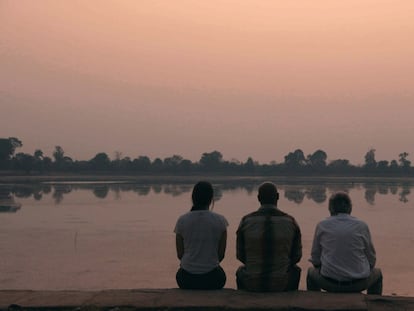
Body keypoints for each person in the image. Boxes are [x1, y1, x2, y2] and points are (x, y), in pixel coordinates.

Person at [307, 192, 383, 294]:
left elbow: (315, 258)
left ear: (330, 208)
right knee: (377, 274)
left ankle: (314, 304)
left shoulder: (322, 225)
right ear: (350, 208)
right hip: (358, 284)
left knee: (310, 273)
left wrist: (326, 268)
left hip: (329, 283)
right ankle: (373, 305)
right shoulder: (362, 226)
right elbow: (372, 258)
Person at [236, 182, 302, 291]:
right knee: (296, 270)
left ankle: (244, 300)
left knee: (240, 270)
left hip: (252, 283)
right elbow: (296, 257)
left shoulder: (246, 221)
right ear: (277, 197)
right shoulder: (290, 221)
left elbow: (241, 256)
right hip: (281, 284)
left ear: (258, 198)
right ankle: (290, 300)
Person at [174, 181, 228, 289]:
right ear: (211, 199)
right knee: (221, 275)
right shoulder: (220, 221)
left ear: (193, 198)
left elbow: (180, 254)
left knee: (180, 273)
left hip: (186, 279)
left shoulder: (182, 220)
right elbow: (221, 255)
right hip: (213, 278)